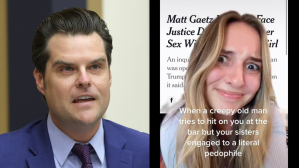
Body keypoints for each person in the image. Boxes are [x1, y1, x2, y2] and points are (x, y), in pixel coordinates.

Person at [0, 7, 149, 168]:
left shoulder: (148, 152)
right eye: (67, 69)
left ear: (109, 75)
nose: (84, 80)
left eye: (95, 67)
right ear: (40, 80)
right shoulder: (4, 156)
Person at [160, 11, 287, 168]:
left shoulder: (268, 113)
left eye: (252, 66)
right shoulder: (175, 127)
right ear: (200, 62)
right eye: (221, 59)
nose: (237, 80)